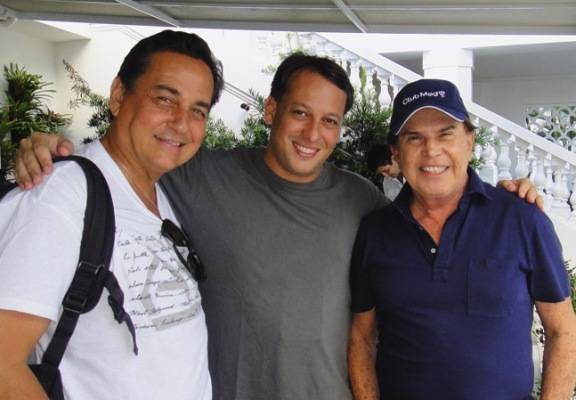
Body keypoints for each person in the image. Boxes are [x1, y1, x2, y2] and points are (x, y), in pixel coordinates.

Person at [14, 57, 542, 399]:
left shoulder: (363, 203)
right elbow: (129, 159)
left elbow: (431, 218)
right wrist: (53, 148)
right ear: (271, 111)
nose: (313, 133)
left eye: (330, 121)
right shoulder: (199, 175)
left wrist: (511, 196)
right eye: (300, 113)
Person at [0, 29, 223, 399]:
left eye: (198, 110)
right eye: (165, 99)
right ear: (119, 96)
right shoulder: (61, 193)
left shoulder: (161, 193)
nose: (182, 123)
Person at [348, 78, 576, 400]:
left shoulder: (523, 220)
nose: (431, 151)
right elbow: (361, 338)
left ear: (469, 140)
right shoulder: (375, 232)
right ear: (396, 152)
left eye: (446, 133)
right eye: (415, 138)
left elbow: (562, 330)